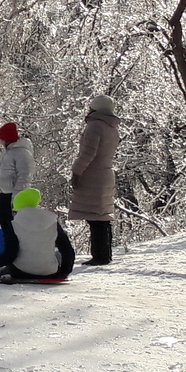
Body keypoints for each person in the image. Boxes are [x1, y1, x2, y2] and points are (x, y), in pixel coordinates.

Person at [70, 95, 121, 266]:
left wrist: (76, 172)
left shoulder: (95, 126)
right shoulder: (112, 128)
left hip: (92, 176)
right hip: (107, 174)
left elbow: (88, 153)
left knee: (95, 218)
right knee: (103, 217)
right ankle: (105, 254)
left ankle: (99, 256)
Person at [0, 187, 75, 283]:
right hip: (49, 272)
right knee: (57, 255)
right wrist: (65, 271)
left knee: (3, 270)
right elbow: (67, 251)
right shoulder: (52, 222)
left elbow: (11, 253)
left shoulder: (14, 224)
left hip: (19, 272)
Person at [0, 121, 32, 244]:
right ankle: (8, 252)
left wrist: (16, 197)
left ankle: (14, 254)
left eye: (1, 139)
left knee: (12, 229)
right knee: (5, 227)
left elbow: (25, 176)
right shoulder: (6, 154)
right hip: (2, 196)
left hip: (12, 197)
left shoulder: (22, 153)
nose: (0, 142)